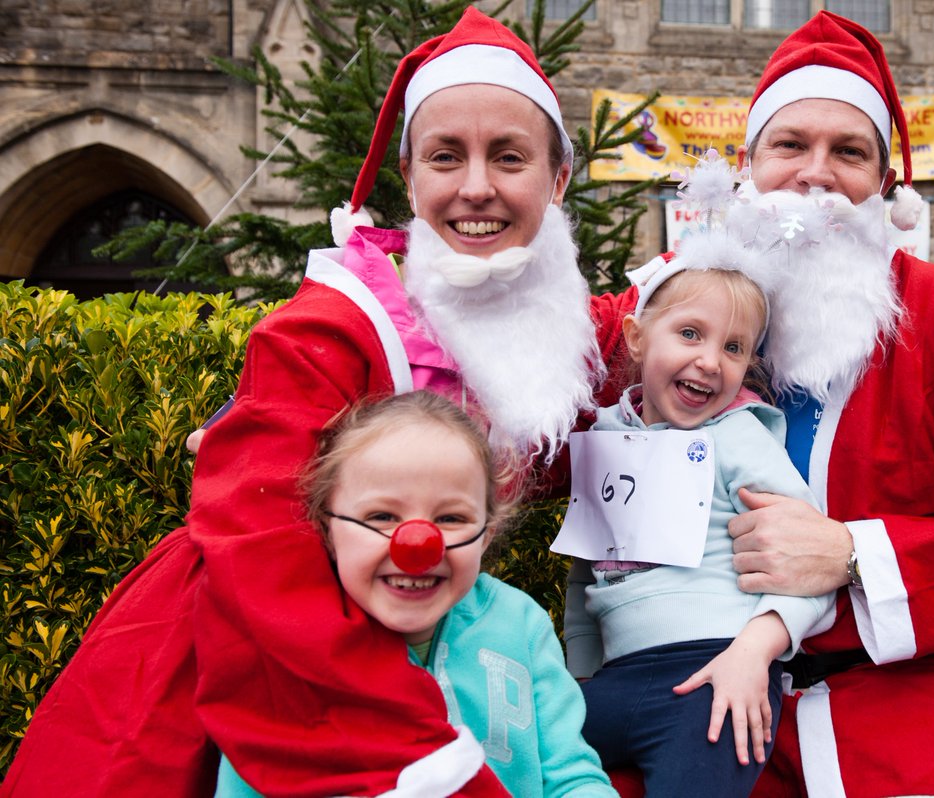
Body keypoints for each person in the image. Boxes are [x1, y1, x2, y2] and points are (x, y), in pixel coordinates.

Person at [1, 9, 635, 796]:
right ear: (409, 175)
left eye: (509, 157)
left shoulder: (553, 326)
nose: (477, 187)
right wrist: (430, 765)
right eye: (446, 156)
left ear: (558, 177)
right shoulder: (323, 330)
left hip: (451, 644)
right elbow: (261, 551)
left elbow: (669, 327)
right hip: (274, 663)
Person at [665, 11, 934, 798]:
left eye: (849, 152)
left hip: (928, 715)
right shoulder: (677, 313)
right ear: (747, 166)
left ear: (885, 184)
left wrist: (853, 556)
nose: (815, 175)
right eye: (789, 145)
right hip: (710, 706)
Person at [557, 208, 834, 797]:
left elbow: (811, 567)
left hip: (717, 673)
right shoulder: (604, 439)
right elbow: (586, 575)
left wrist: (754, 654)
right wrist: (578, 677)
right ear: (636, 337)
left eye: (734, 347)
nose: (710, 360)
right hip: (614, 679)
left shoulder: (739, 437)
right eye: (689, 334)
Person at [216, 391, 617, 797]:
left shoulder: (521, 625)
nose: (417, 546)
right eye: (382, 516)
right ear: (328, 527)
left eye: (451, 518)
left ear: (486, 533)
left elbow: (571, 777)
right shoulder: (290, 648)